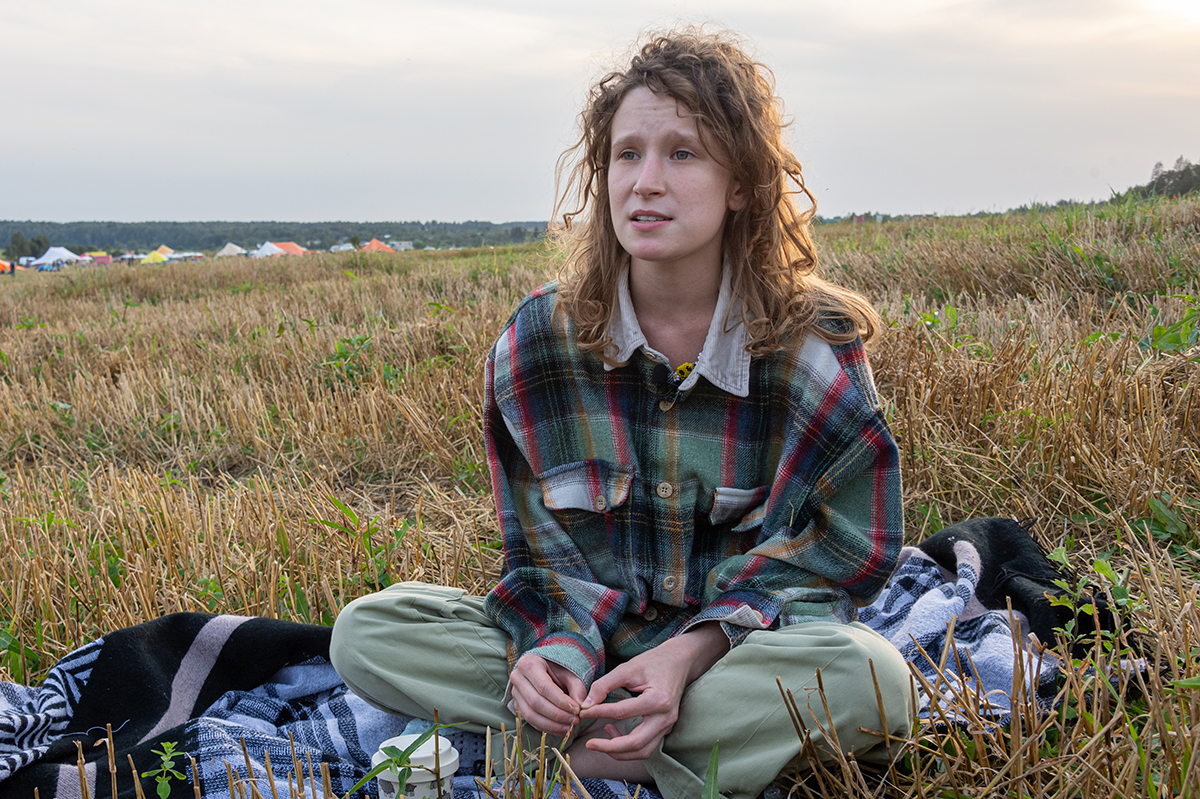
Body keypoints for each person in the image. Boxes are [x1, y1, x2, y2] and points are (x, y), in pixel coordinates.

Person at [330, 28, 913, 799]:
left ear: (741, 184)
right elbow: (541, 559)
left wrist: (689, 653)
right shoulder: (538, 341)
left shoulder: (811, 345)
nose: (646, 182)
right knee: (367, 631)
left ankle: (542, 756)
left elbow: (844, 553)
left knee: (874, 681)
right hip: (596, 651)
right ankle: (647, 744)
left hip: (733, 654)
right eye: (627, 154)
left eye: (682, 153)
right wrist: (552, 653)